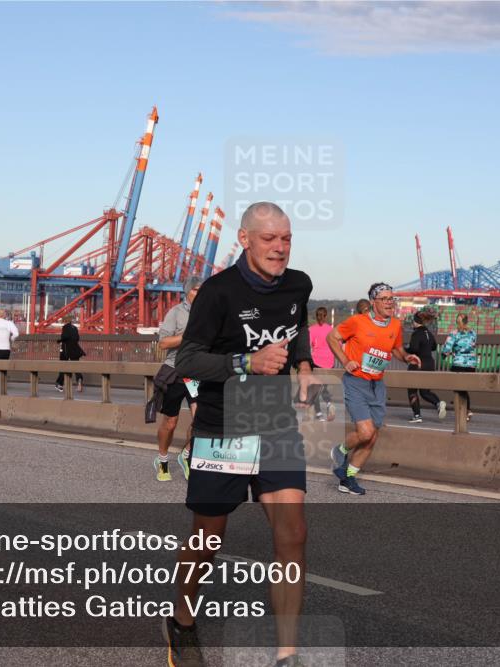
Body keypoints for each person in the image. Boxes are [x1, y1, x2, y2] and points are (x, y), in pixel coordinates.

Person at [165, 202, 316, 667]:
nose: (280, 248)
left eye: (286, 238)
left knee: (293, 532)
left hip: (274, 419)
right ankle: (181, 621)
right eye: (269, 239)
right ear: (245, 239)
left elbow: (297, 327)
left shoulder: (299, 284)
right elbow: (187, 359)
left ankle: (287, 652)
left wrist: (304, 365)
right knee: (209, 537)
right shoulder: (217, 293)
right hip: (222, 422)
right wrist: (245, 362)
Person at [326, 283, 420, 496]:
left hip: (377, 385)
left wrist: (406, 357)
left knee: (372, 436)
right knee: (365, 432)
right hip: (356, 382)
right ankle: (339, 450)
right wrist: (345, 360)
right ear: (373, 303)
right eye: (385, 299)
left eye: (391, 299)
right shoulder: (357, 322)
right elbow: (332, 337)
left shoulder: (395, 325)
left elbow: (396, 348)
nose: (390, 303)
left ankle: (348, 478)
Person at [152, 275, 201, 482]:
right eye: (196, 289)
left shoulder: (209, 314)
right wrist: (186, 336)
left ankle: (186, 456)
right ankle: (162, 460)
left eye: (202, 290)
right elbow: (162, 343)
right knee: (170, 422)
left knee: (202, 419)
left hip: (197, 374)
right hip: (175, 372)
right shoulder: (176, 313)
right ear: (187, 291)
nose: (199, 294)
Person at [405, 308, 447, 423]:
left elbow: (414, 348)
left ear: (415, 322)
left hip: (418, 364)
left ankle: (417, 415)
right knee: (425, 392)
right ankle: (438, 403)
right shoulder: (429, 333)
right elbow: (433, 347)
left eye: (413, 321)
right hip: (430, 364)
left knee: (412, 390)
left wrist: (404, 349)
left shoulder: (416, 333)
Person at [442, 312, 478, 420]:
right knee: (464, 388)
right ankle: (467, 411)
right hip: (471, 364)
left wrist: (445, 354)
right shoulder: (473, 333)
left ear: (456, 322)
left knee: (458, 389)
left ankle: (466, 411)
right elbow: (472, 345)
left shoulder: (454, 333)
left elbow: (447, 349)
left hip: (458, 363)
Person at [307, 306, 336, 421]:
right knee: (324, 388)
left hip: (317, 362)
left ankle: (319, 414)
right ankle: (329, 404)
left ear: (316, 316)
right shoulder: (331, 329)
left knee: (314, 390)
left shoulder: (311, 329)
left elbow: (308, 346)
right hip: (330, 362)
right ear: (326, 316)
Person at [54, 316, 85, 393]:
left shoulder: (65, 327)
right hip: (75, 350)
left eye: (63, 320)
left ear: (65, 321)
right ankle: (79, 380)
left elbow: (65, 336)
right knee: (76, 367)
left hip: (66, 350)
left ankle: (59, 384)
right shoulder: (74, 328)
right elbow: (77, 338)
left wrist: (59, 340)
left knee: (63, 367)